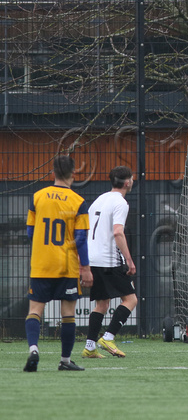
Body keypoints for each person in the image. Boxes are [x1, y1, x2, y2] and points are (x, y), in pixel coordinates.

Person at [24, 155, 93, 372]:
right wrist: (86, 267)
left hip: (41, 264)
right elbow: (81, 239)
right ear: (74, 173)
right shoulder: (78, 202)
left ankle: (34, 348)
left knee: (35, 310)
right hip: (67, 266)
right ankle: (64, 360)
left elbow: (30, 232)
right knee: (68, 314)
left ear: (52, 172)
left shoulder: (37, 197)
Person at [82, 166, 137, 358]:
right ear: (127, 182)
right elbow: (117, 232)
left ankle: (89, 347)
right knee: (131, 299)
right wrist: (129, 260)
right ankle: (108, 337)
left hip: (92, 258)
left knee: (102, 304)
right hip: (108, 259)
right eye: (132, 178)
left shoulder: (100, 199)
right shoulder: (120, 203)